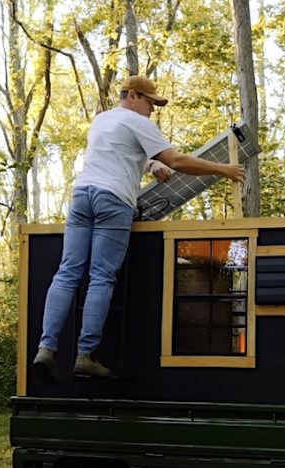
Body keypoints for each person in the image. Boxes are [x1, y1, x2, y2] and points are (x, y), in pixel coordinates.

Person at [33, 75, 246, 382]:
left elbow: (119, 152)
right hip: (113, 201)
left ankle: (45, 348)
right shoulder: (139, 122)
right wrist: (224, 169)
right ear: (132, 96)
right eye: (151, 103)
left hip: (82, 197)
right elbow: (178, 161)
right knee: (101, 277)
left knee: (67, 272)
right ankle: (85, 355)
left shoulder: (101, 121)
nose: (153, 110)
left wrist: (149, 164)